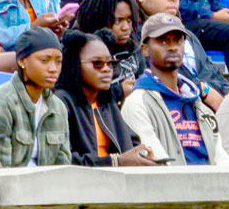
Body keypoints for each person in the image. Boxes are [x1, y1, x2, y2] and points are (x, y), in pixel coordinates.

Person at [121, 13, 229, 165]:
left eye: (177, 40)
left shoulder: (197, 102)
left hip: (211, 185)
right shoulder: (137, 102)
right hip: (173, 185)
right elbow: (155, 162)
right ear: (145, 49)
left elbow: (221, 159)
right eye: (163, 41)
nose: (173, 47)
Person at [56, 29, 159, 167]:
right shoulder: (61, 102)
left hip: (118, 182)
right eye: (97, 63)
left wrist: (145, 157)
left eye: (111, 63)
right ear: (75, 64)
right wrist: (115, 162)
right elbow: (63, 160)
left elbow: (131, 144)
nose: (106, 69)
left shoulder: (106, 102)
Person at [0, 26, 71, 168]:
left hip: (49, 186)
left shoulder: (58, 107)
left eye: (58, 61)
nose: (53, 68)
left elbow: (62, 165)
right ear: (22, 61)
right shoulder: (1, 103)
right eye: (44, 60)